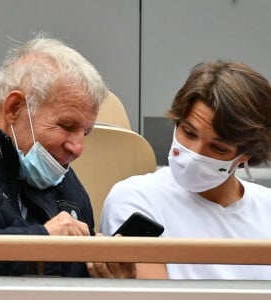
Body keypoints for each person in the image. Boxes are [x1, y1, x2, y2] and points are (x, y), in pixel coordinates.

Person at [0, 33, 135, 278]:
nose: (78, 149)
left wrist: (104, 277)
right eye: (67, 126)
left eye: (86, 133)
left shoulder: (69, 189)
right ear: (15, 108)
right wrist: (41, 243)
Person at [100, 60, 271, 279]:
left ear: (245, 154)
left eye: (218, 147)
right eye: (189, 133)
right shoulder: (136, 198)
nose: (195, 154)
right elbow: (156, 295)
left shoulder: (266, 208)